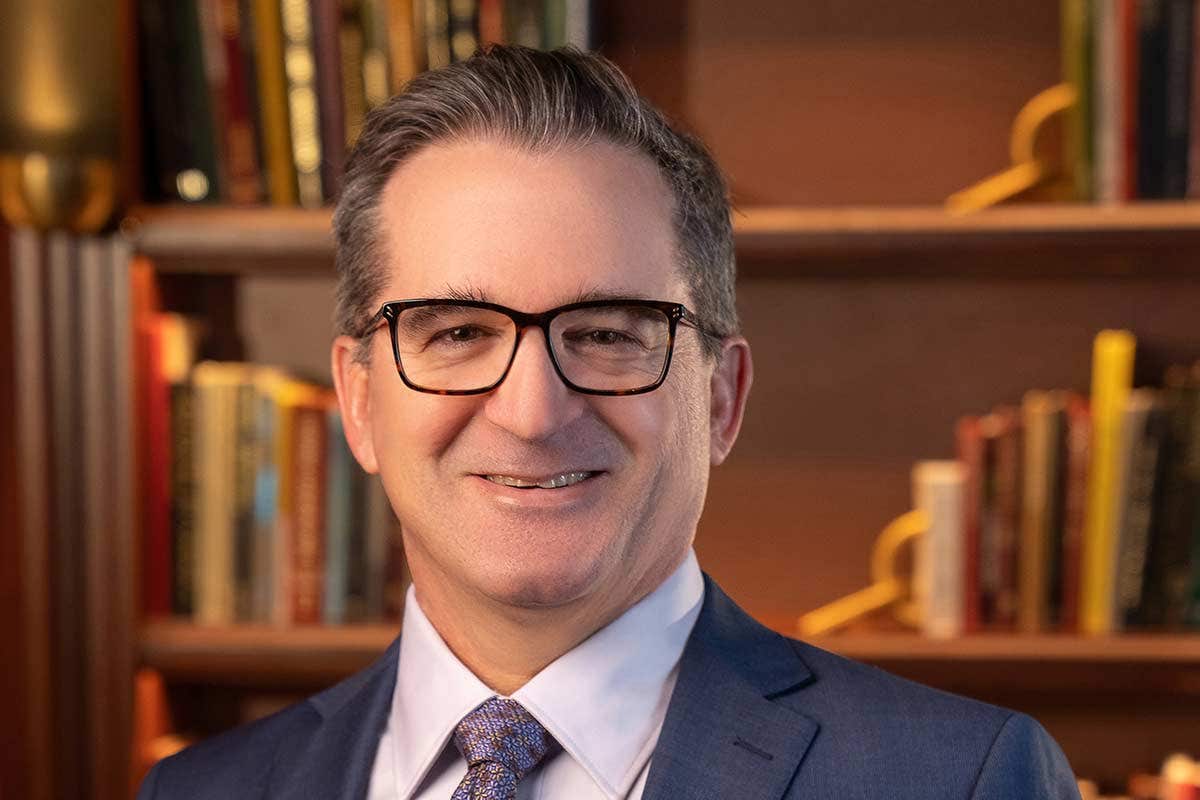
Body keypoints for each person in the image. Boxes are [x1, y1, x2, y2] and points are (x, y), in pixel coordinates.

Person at [138, 45, 1080, 799]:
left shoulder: (959, 778)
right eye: (458, 331)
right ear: (359, 400)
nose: (533, 411)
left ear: (721, 397)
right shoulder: (200, 790)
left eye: (604, 334)